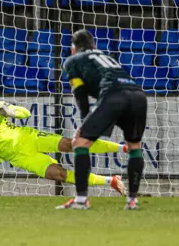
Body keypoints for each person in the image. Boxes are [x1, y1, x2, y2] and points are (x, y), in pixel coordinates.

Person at [56, 30, 148, 210]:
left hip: (114, 95)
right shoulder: (105, 57)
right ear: (94, 46)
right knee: (134, 146)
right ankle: (132, 201)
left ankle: (81, 200)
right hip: (138, 95)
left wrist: (84, 124)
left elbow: (81, 95)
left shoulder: (72, 61)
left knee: (80, 143)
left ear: (73, 49)